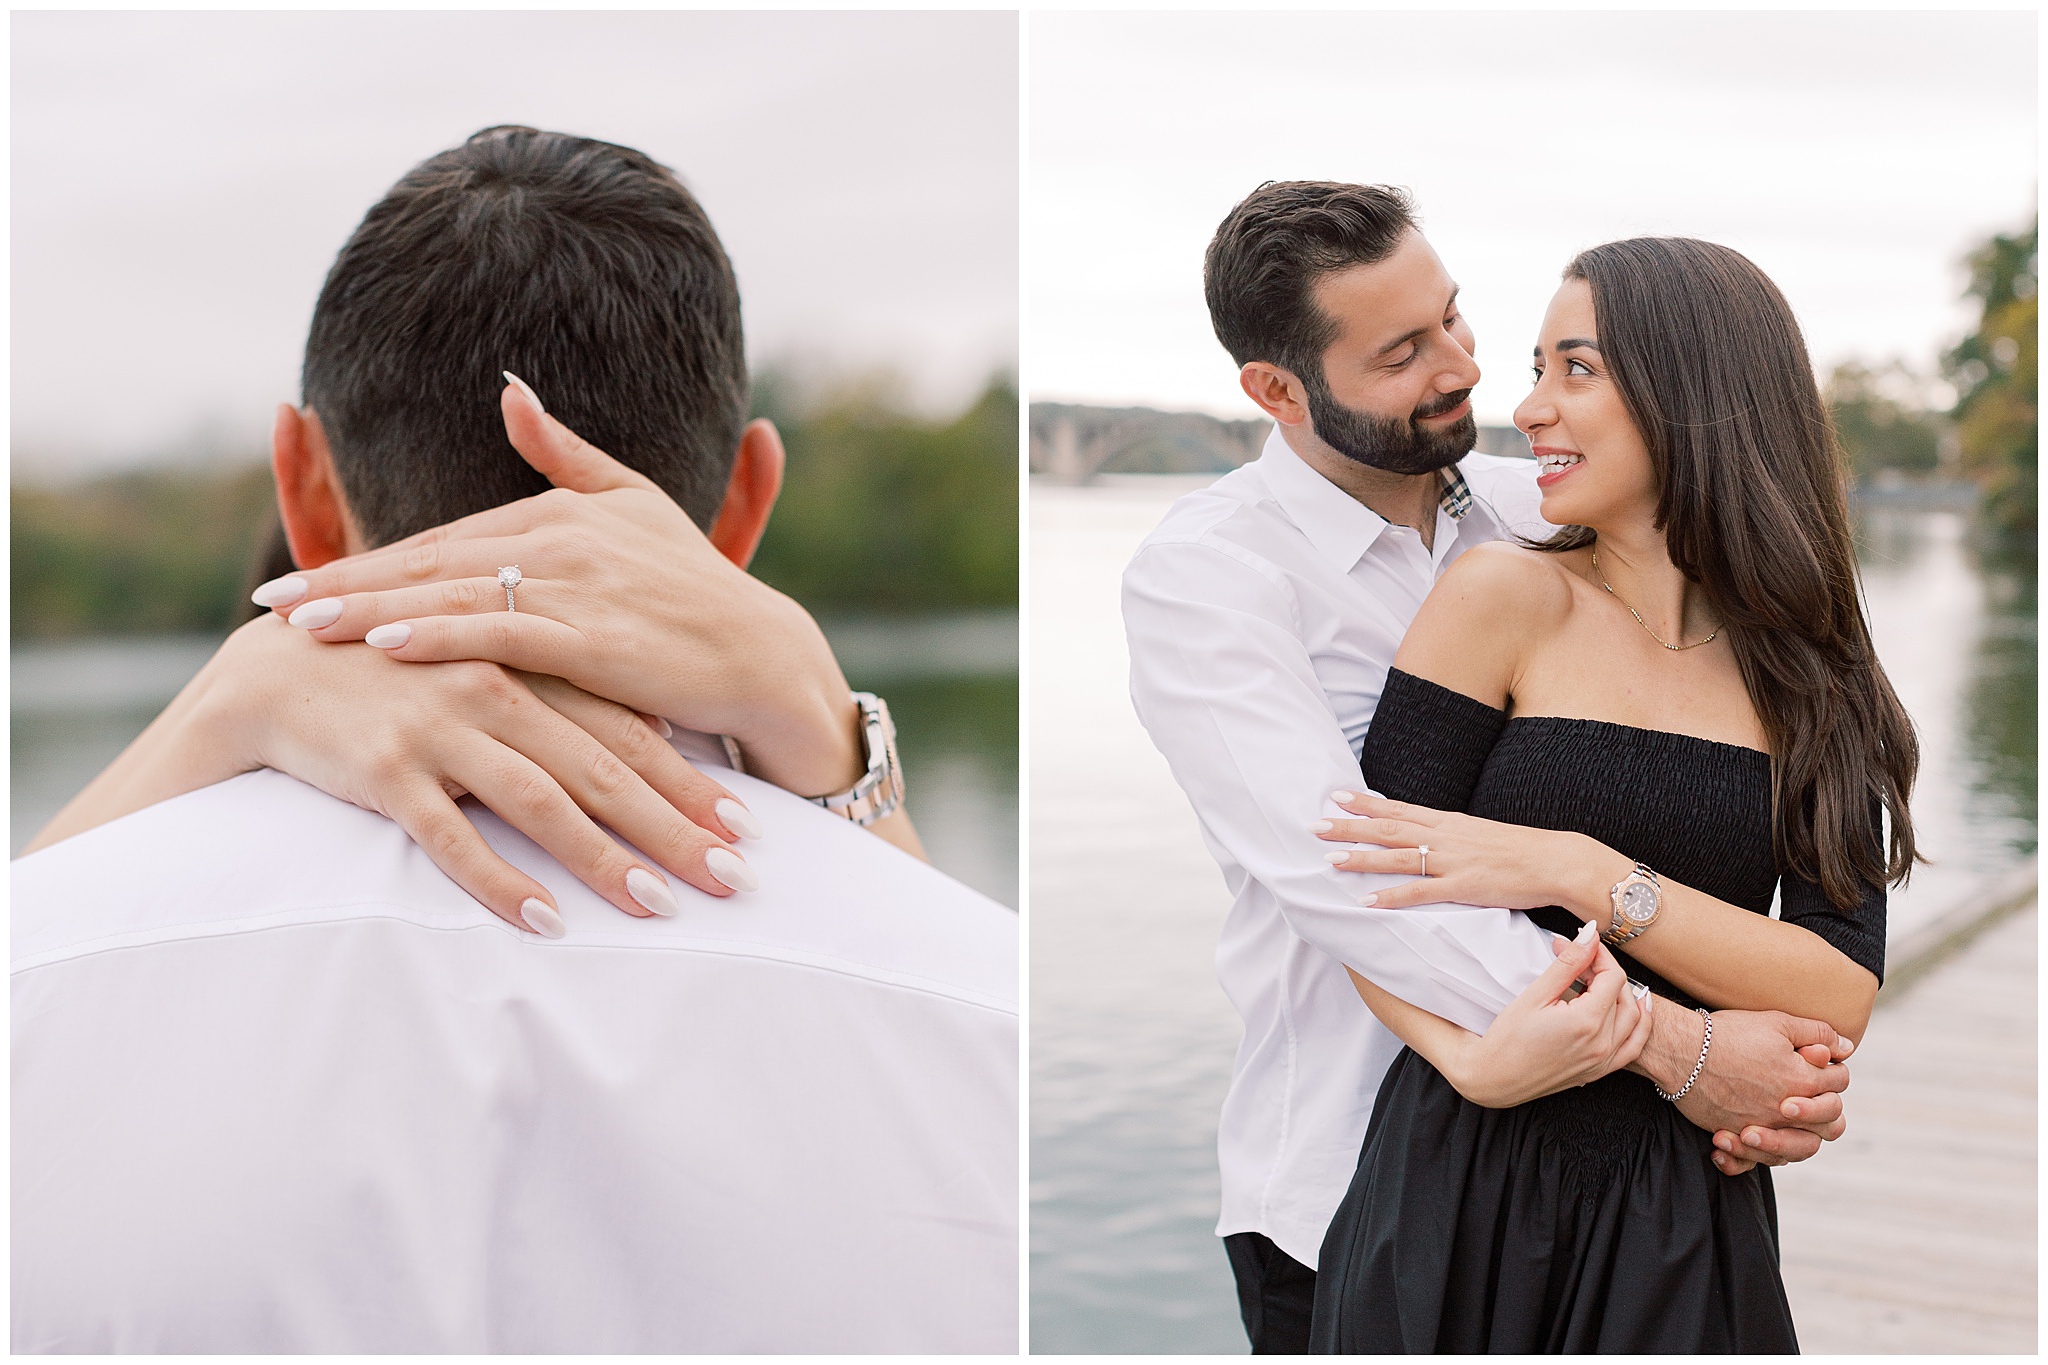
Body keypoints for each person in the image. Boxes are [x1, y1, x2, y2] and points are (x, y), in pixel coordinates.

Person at [12, 127, 1017, 1354]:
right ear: (744, 505)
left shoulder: (42, 978)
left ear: (301, 485)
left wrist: (218, 708)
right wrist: (838, 752)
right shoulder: (988, 1018)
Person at [1122, 182, 1857, 1353]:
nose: (1460, 369)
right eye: (1400, 353)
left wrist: (1777, 1071)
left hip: (1644, 1201)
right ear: (1277, 392)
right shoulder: (1210, 579)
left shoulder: (1546, 510)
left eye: (1452, 318)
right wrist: (1678, 1048)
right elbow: (1356, 875)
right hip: (1351, 1171)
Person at [1305, 235, 1910, 1352]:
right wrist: (1477, 1061)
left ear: (1695, 392)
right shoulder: (1499, 597)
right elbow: (1368, 894)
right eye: (1536, 368)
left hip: (1687, 1209)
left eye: (1575, 369)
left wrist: (1579, 868)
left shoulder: (1819, 679)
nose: (1529, 407)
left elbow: (1837, 993)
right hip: (1461, 1181)